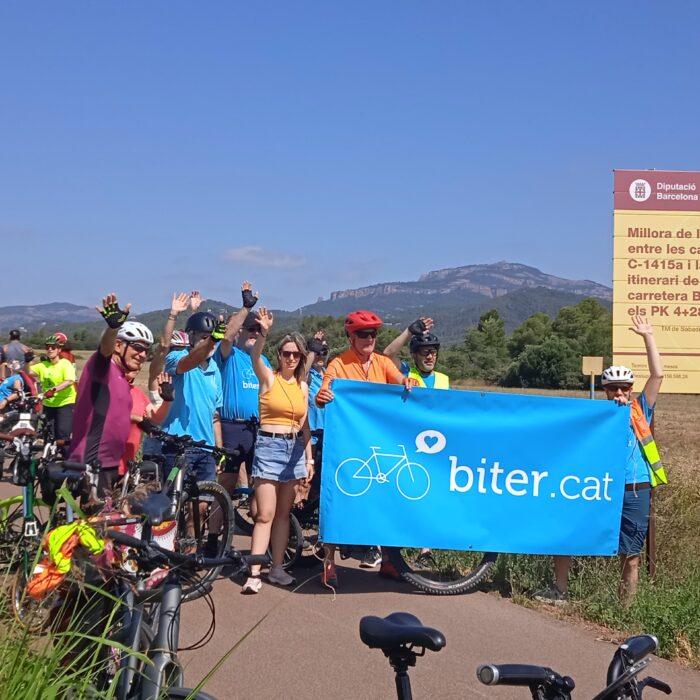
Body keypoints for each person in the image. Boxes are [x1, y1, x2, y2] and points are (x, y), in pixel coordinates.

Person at [535, 315, 665, 605]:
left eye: (624, 388)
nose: (619, 393)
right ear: (605, 391)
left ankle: (626, 608)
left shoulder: (640, 409)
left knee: (631, 554)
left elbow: (657, 376)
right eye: (613, 389)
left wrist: (648, 336)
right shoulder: (595, 417)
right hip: (598, 486)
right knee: (568, 532)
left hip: (635, 488)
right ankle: (560, 591)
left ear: (630, 390)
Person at [315, 310, 417, 588]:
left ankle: (388, 561)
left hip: (377, 444)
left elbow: (400, 380)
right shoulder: (338, 364)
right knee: (337, 501)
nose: (368, 338)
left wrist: (409, 381)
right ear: (351, 337)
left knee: (387, 501)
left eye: (372, 334)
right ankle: (329, 564)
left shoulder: (383, 363)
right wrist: (322, 396)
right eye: (362, 334)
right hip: (346, 445)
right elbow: (324, 392)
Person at [241, 308, 313, 594]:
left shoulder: (303, 387)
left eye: (296, 354)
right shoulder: (268, 378)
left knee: (284, 514)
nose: (291, 358)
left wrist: (309, 459)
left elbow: (305, 427)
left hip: (294, 450)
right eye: (286, 353)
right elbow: (254, 356)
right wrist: (264, 333)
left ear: (302, 357)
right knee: (265, 514)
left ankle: (278, 568)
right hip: (269, 447)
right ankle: (254, 571)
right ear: (280, 355)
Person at [68, 294, 153, 496]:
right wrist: (113, 328)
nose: (142, 355)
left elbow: (113, 414)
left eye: (146, 351)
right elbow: (103, 350)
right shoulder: (102, 370)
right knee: (96, 526)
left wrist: (142, 422)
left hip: (110, 463)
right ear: (118, 346)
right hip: (92, 463)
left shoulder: (123, 380)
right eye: (137, 347)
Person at [213, 282, 266, 496]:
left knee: (259, 485)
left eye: (258, 330)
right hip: (230, 427)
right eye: (250, 329)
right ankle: (216, 531)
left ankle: (255, 527)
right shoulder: (230, 354)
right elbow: (226, 337)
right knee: (225, 484)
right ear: (241, 332)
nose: (254, 333)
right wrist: (246, 308)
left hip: (255, 429)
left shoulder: (264, 361)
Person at [160, 310, 224, 483]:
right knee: (173, 502)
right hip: (179, 445)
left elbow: (215, 416)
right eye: (205, 337)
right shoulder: (177, 357)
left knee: (203, 505)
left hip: (207, 448)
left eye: (213, 338)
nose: (211, 344)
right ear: (191, 336)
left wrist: (219, 449)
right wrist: (211, 342)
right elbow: (187, 363)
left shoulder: (215, 370)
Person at [29, 334, 77, 444]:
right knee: (48, 434)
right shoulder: (43, 365)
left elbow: (69, 381)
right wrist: (27, 361)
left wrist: (53, 390)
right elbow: (29, 372)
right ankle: (49, 458)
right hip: (49, 404)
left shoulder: (65, 364)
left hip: (65, 403)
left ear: (59, 349)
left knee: (62, 434)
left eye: (53, 347)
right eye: (47, 347)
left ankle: (67, 458)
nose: (50, 349)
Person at [383, 317, 450, 389]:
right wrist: (409, 331)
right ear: (414, 355)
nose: (430, 357)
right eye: (425, 352)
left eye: (433, 352)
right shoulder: (407, 372)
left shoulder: (444, 379)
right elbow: (388, 354)